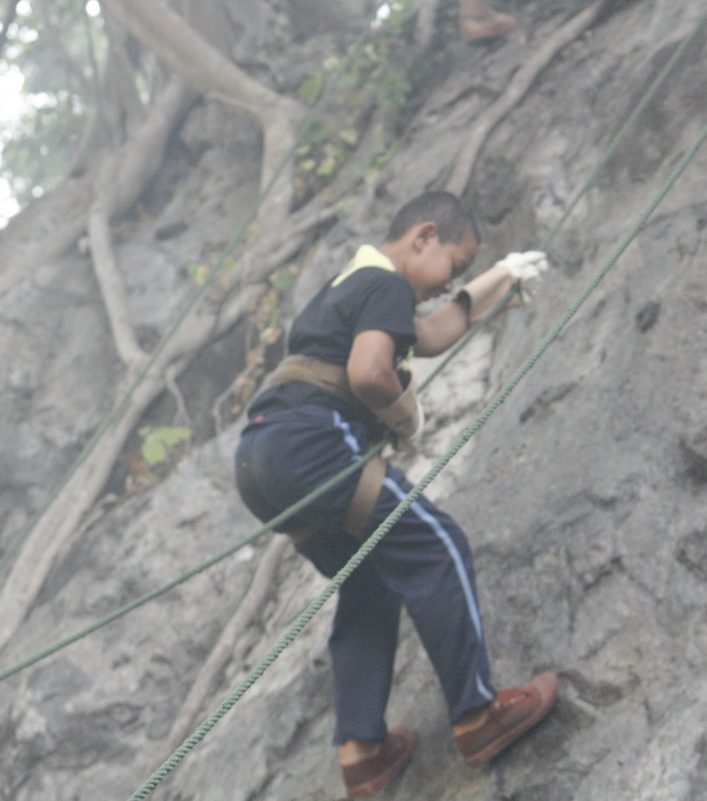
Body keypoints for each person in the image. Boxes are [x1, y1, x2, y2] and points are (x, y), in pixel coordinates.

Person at [234, 191, 557, 797]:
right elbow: (368, 372)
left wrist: (499, 278)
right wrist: (403, 414)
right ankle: (478, 715)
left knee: (369, 582)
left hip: (260, 459)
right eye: (453, 266)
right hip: (310, 441)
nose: (448, 283)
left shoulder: (353, 283)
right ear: (423, 237)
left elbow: (430, 334)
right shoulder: (387, 283)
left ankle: (363, 753)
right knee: (438, 546)